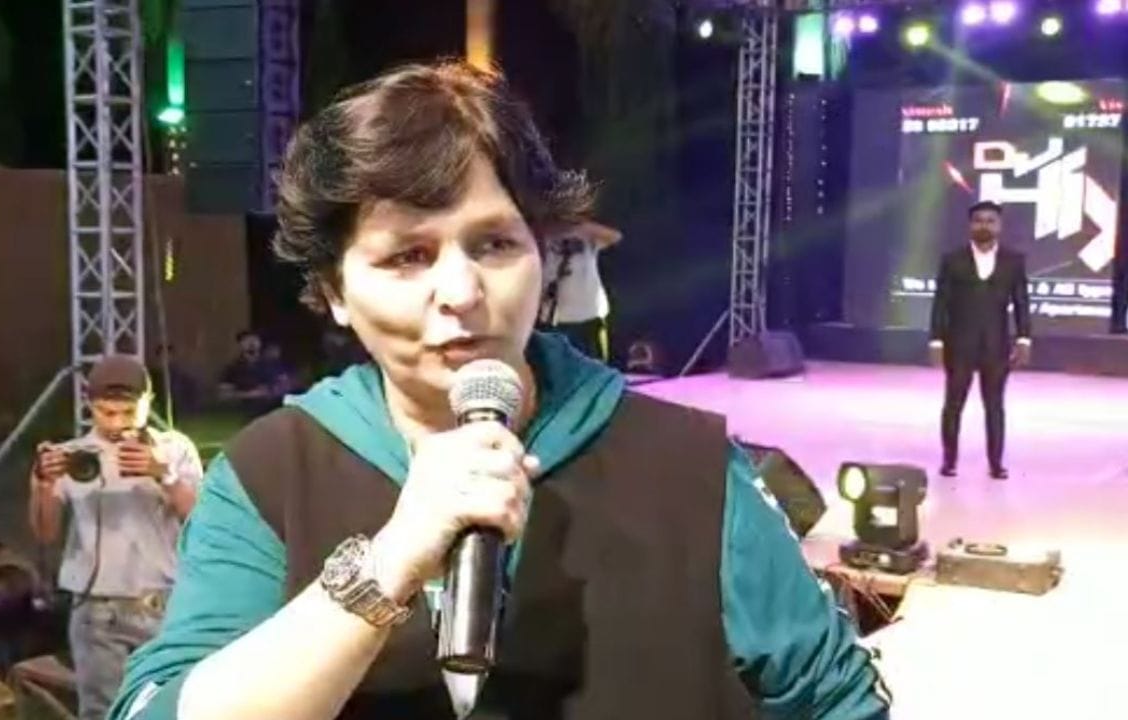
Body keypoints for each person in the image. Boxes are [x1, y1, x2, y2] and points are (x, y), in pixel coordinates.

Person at [108, 61, 889, 720]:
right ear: (334, 291)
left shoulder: (689, 467)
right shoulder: (271, 474)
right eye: (407, 256)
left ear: (541, 255)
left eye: (494, 244)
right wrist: (388, 564)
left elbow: (838, 702)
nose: (461, 292)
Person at [28, 355, 202, 720]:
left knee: (171, 707)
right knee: (102, 712)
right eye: (106, 413)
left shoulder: (175, 449)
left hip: (162, 605)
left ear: (148, 403)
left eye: (128, 412)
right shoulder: (72, 457)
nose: (117, 423)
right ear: (90, 405)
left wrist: (163, 475)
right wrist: (42, 486)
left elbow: (202, 522)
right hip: (96, 612)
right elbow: (45, 533)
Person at [929, 200, 1032, 480]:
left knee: (995, 406)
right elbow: (941, 303)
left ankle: (996, 464)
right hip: (958, 343)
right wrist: (936, 341)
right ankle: (949, 461)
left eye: (990, 221)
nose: (984, 225)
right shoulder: (953, 260)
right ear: (970, 225)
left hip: (996, 345)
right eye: (978, 220)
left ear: (999, 226)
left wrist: (1024, 338)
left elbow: (1021, 302)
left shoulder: (1013, 261)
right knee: (953, 404)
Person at [537, 220, 620, 361]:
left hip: (590, 316)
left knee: (594, 366)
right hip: (553, 318)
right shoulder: (543, 235)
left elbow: (614, 237)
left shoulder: (586, 234)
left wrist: (578, 226)